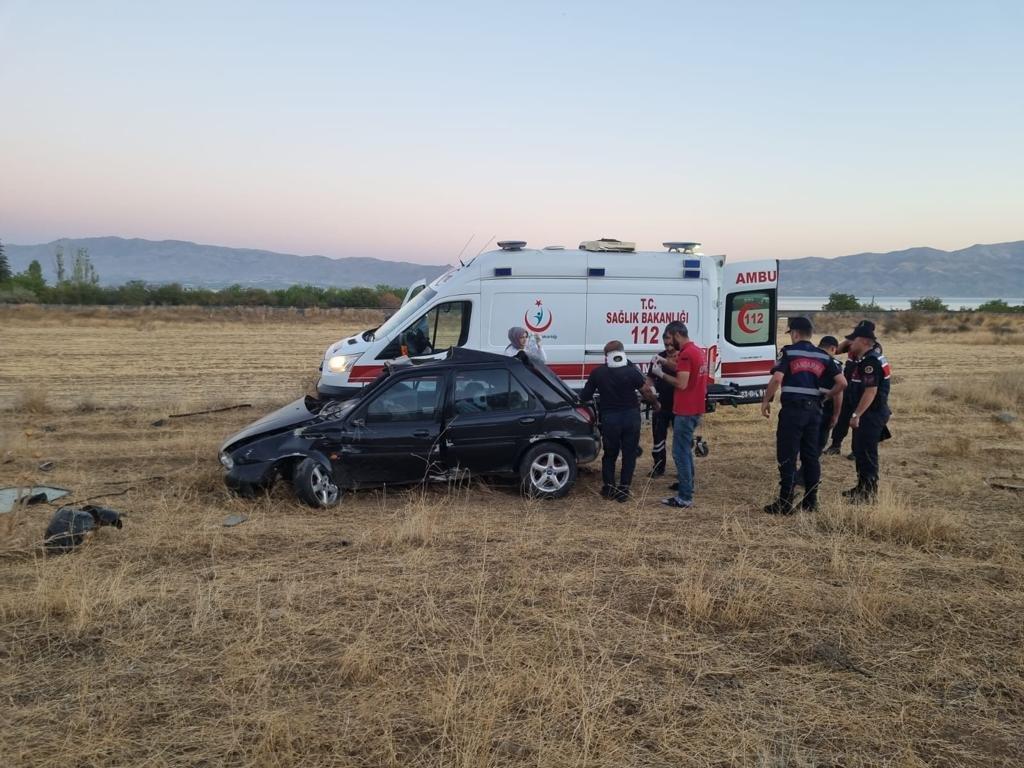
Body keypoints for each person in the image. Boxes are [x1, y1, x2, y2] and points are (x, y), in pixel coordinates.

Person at [760, 317, 845, 514]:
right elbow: (842, 383)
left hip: (793, 411)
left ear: (795, 333)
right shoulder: (823, 356)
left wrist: (766, 400)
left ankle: (785, 502)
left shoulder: (789, 352)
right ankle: (811, 501)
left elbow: (777, 378)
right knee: (811, 456)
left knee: (787, 454)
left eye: (791, 334)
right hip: (814, 411)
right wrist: (825, 398)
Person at [580, 341, 654, 502]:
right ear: (622, 352)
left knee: (610, 454)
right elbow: (646, 391)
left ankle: (609, 487)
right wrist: (655, 403)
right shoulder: (632, 372)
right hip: (631, 417)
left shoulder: (598, 373)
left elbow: (585, 396)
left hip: (610, 419)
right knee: (629, 454)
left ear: (607, 356)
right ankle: (624, 488)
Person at [650, 321, 707, 509]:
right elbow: (685, 372)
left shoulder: (685, 354)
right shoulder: (696, 351)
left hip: (685, 408)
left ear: (676, 334)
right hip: (696, 406)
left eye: (669, 338)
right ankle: (687, 485)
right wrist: (665, 362)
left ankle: (684, 497)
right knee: (686, 451)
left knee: (680, 452)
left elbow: (681, 383)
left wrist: (661, 373)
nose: (668, 343)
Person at [842, 323, 892, 502]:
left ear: (863, 341)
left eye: (852, 340)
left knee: (867, 454)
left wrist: (857, 414)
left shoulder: (870, 362)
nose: (849, 344)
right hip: (869, 413)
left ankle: (869, 493)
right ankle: (861, 487)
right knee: (860, 451)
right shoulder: (866, 359)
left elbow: (870, 391)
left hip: (871, 415)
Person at [642, 332, 677, 477]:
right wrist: (648, 392)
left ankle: (682, 469)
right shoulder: (658, 357)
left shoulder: (682, 358)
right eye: (666, 344)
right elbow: (649, 379)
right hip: (661, 405)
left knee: (681, 440)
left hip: (678, 406)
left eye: (671, 344)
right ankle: (658, 467)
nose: (668, 348)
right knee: (658, 438)